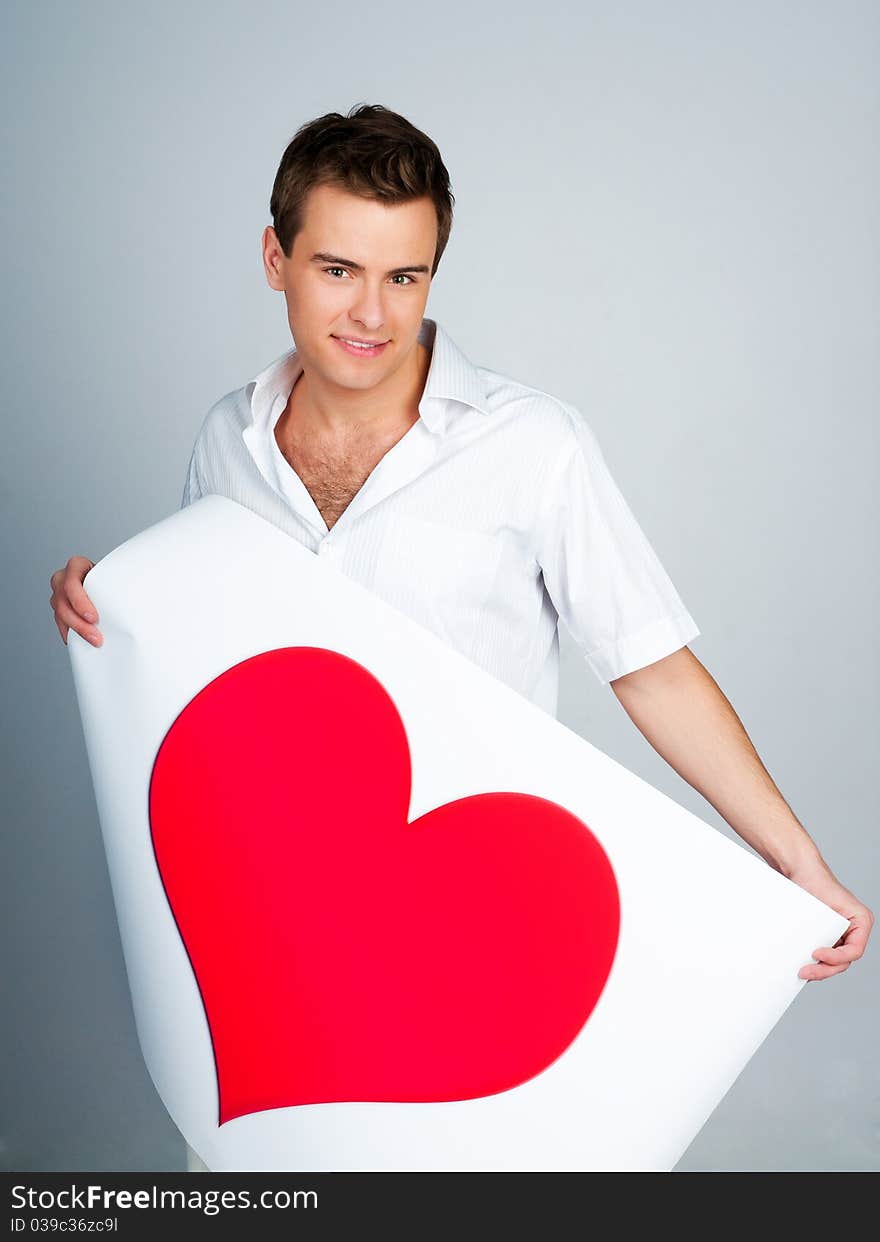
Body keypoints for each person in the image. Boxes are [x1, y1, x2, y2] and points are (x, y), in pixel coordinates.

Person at [50, 103, 872, 997]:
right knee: (247, 1141)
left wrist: (798, 862)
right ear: (275, 260)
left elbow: (651, 669)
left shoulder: (533, 445)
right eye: (337, 269)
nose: (372, 312)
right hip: (261, 920)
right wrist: (112, 597)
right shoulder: (228, 438)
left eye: (405, 277)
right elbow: (203, 654)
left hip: (467, 917)